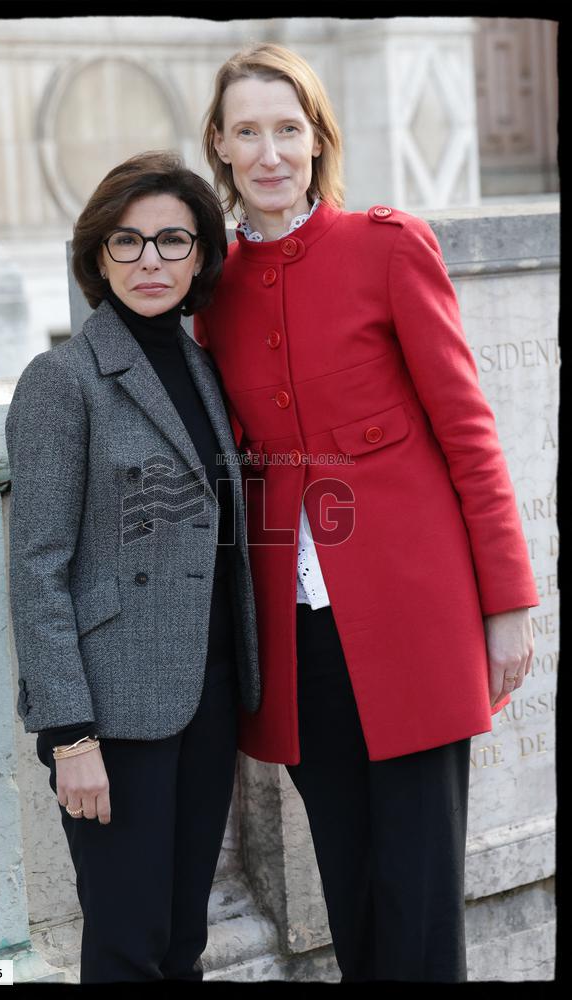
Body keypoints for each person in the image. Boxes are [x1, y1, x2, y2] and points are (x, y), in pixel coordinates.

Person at [195, 43, 539, 983]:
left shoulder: (388, 247)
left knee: (422, 905)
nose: (270, 153)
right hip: (297, 643)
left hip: (415, 625)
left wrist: (506, 602)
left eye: (288, 130)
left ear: (316, 141)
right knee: (349, 894)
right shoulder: (210, 295)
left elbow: (469, 433)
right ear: (220, 146)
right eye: (249, 132)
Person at [5, 150, 261, 983]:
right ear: (97, 256)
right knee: (125, 946)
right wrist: (69, 735)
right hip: (112, 715)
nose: (150, 261)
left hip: (209, 693)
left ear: (200, 257)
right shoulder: (62, 380)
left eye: (172, 241)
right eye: (128, 242)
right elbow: (38, 568)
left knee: (185, 938)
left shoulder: (202, 366)